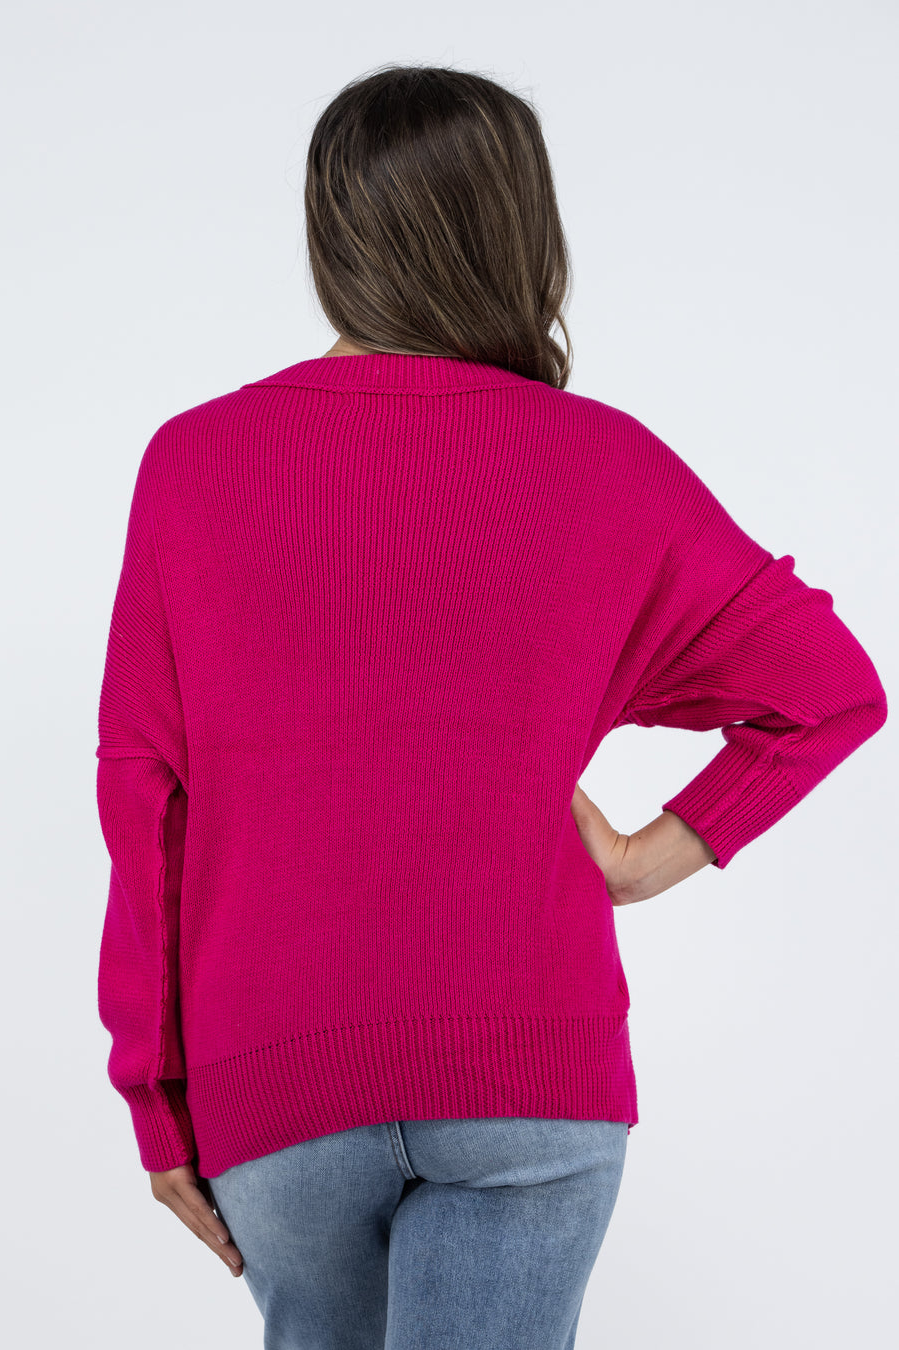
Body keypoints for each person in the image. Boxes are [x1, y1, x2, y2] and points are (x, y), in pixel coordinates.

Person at [94, 63, 888, 1349]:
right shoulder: (604, 461)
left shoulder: (194, 463)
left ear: (330, 229)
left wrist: (157, 1098)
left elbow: (143, 796)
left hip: (277, 1077)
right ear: (522, 228)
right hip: (529, 1066)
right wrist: (641, 860)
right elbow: (825, 688)